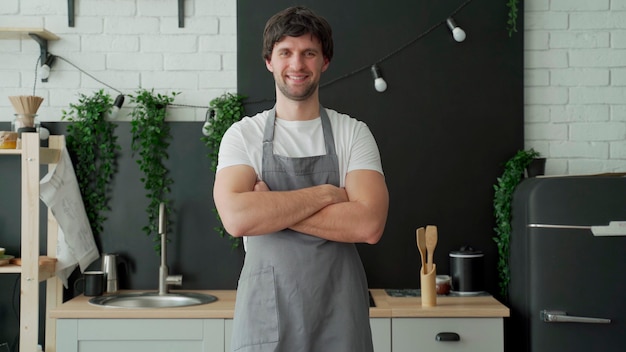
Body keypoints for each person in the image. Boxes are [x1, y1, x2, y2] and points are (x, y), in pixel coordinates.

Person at [213, 5, 389, 352]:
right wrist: (327, 194)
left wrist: (271, 208)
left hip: (339, 313)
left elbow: (369, 224)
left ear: (324, 62)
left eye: (309, 53)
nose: (297, 64)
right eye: (286, 53)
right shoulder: (242, 136)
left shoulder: (352, 133)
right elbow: (237, 218)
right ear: (269, 61)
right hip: (266, 314)